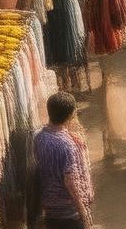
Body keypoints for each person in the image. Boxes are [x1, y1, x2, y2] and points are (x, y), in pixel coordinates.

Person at [32, 91, 94, 229]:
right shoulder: (67, 145)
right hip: (69, 212)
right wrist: (83, 211)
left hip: (50, 208)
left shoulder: (39, 137)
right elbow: (71, 182)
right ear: (71, 115)